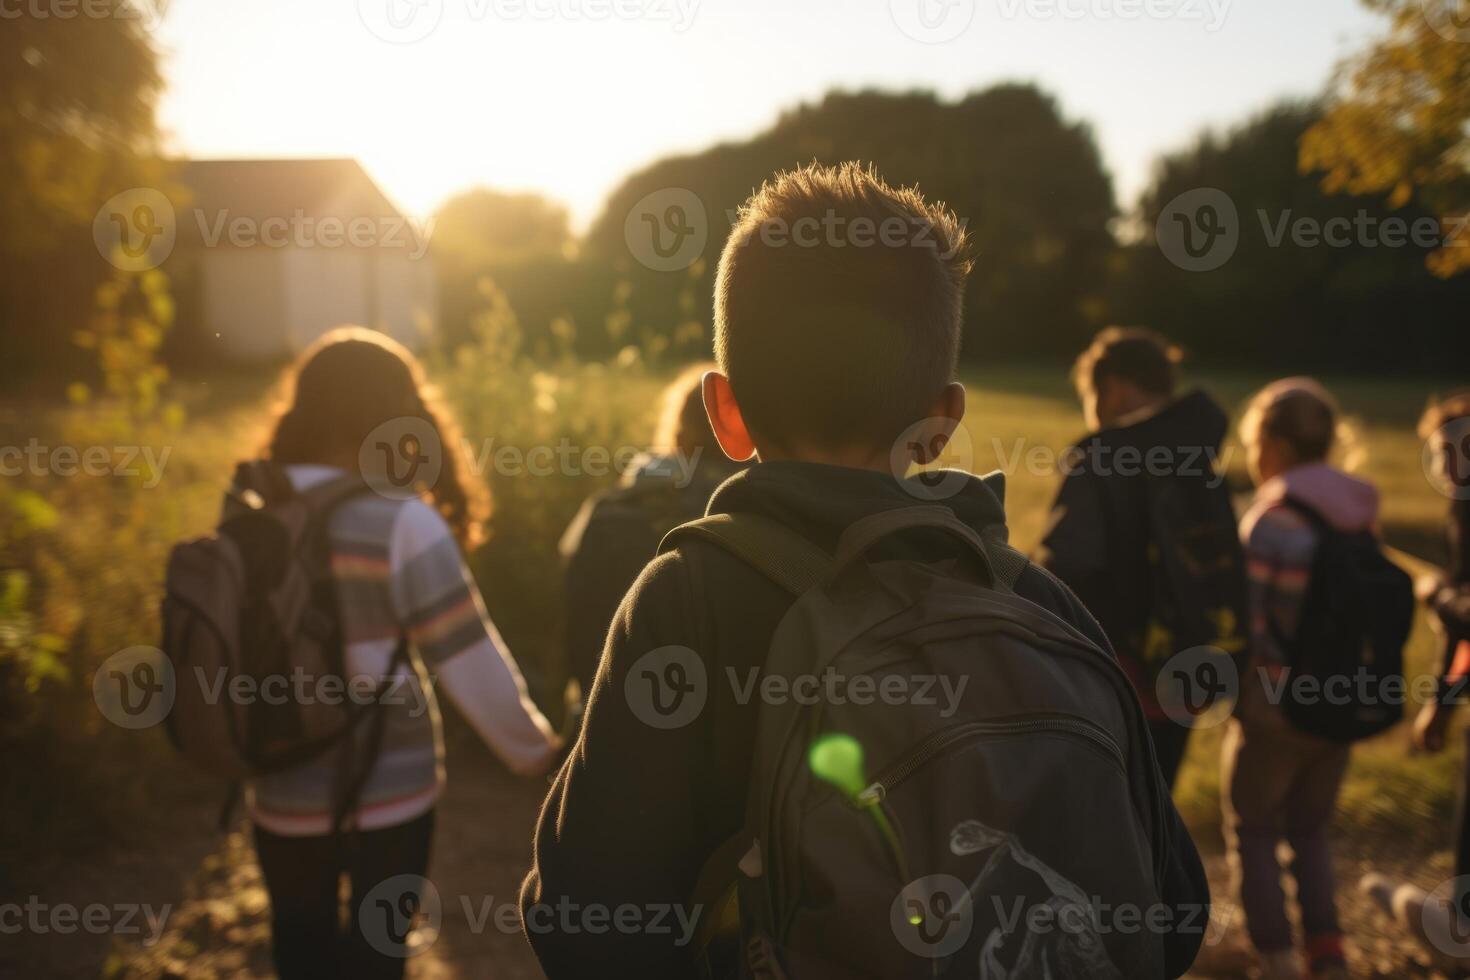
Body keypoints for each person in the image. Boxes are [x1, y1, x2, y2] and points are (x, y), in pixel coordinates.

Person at [520, 163, 1208, 978]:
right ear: (941, 422)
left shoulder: (686, 598)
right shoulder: (1036, 601)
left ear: (724, 413)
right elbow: (1178, 907)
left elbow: (584, 918)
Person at [251, 327, 560, 979]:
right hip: (388, 792)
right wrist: (536, 751)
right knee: (376, 955)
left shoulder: (253, 510)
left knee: (297, 948)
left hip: (279, 780)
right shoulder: (401, 520)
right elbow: (467, 660)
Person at [1038, 327, 1246, 787]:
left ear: (1109, 390)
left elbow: (1067, 570)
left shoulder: (1101, 459)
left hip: (1113, 678)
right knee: (1155, 806)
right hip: (1188, 672)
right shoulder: (1199, 459)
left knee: (1097, 815)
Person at [1225, 378, 1374, 980]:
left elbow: (1250, 624)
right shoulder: (1359, 511)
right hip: (1343, 700)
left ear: (1274, 444)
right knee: (1310, 829)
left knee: (1254, 827)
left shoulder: (1272, 517)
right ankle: (1329, 952)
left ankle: (1277, 957)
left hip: (1275, 702)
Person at [559, 362, 740, 701]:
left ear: (678, 435)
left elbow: (574, 620)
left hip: (612, 704)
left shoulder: (609, 508)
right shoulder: (759, 512)